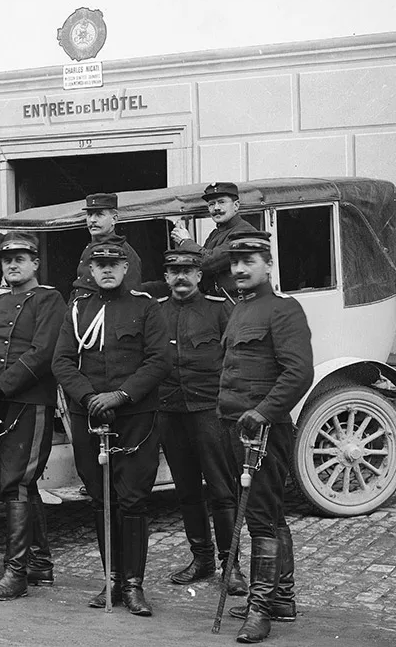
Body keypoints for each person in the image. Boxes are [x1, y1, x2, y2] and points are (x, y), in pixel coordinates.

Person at [53, 243, 168, 617]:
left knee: (132, 500)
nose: (106, 270)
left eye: (112, 264)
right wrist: (89, 398)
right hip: (90, 416)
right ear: (91, 268)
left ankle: (134, 585)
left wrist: (119, 395)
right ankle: (112, 579)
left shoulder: (146, 307)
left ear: (125, 267)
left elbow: (159, 361)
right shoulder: (77, 310)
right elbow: (62, 362)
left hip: (135, 417)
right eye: (98, 264)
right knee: (101, 499)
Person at [218, 231, 313, 644]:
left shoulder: (284, 310)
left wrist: (263, 412)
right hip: (234, 427)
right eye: (235, 262)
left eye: (249, 261)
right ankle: (282, 598)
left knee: (260, 519)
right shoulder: (239, 310)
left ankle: (260, 610)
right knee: (269, 513)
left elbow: (299, 372)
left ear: (268, 265)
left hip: (263, 430)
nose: (239, 268)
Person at [0, 232, 66, 602]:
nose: (13, 265)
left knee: (16, 482)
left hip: (29, 401)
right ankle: (39, 563)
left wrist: (0, 386)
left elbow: (42, 353)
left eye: (21, 258)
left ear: (35, 263)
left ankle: (16, 573)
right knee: (19, 482)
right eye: (7, 260)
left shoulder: (49, 299)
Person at [155, 247, 246, 595]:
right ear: (166, 277)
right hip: (170, 412)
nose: (180, 277)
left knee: (223, 491)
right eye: (173, 271)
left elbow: (237, 359)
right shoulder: (156, 312)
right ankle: (202, 559)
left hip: (210, 412)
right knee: (187, 491)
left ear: (198, 276)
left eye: (187, 271)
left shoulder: (219, 309)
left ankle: (231, 565)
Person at [170, 182, 258, 298]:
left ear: (236, 205)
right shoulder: (215, 234)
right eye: (211, 204)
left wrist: (185, 242)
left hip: (237, 305)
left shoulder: (245, 233)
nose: (216, 208)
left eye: (221, 202)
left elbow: (209, 263)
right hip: (217, 302)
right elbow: (200, 266)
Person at [72, 192, 143, 296]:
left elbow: (130, 298)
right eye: (89, 215)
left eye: (99, 214)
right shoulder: (89, 248)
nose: (92, 220)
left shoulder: (125, 252)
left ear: (114, 219)